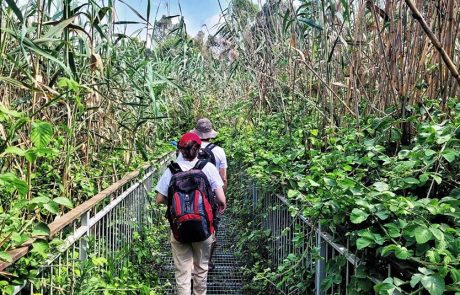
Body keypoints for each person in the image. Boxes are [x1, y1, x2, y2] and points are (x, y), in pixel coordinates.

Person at [156, 132, 226, 295]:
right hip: (203, 227)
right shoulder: (207, 168)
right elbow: (221, 198)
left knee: (182, 272)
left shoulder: (172, 170)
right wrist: (219, 206)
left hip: (179, 228)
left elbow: (159, 199)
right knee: (201, 270)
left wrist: (174, 204)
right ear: (198, 148)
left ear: (180, 150)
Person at [191, 118, 228, 271]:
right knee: (212, 228)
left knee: (191, 223)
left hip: (191, 196)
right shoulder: (219, 151)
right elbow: (223, 178)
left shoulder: (188, 149)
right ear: (211, 134)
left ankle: (192, 262)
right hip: (211, 197)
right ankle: (206, 262)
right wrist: (222, 200)